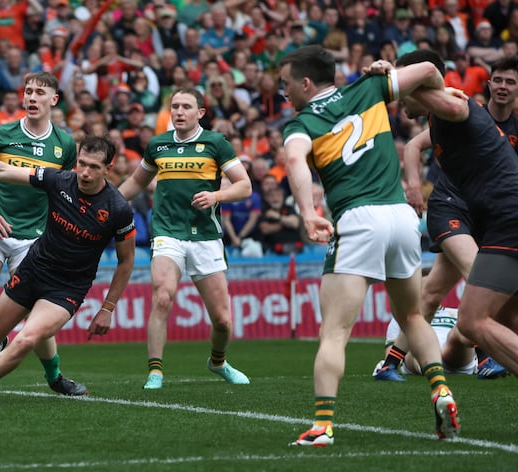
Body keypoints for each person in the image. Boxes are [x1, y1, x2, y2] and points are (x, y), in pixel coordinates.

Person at [279, 45, 459, 446]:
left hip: (358, 219)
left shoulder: (302, 122)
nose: (284, 92)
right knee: (413, 316)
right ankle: (441, 389)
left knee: (334, 332)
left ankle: (322, 425)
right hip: (400, 217)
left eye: (286, 84)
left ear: (306, 83)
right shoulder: (371, 87)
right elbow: (430, 67)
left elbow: (294, 161)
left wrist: (308, 213)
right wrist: (393, 70)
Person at [0, 131, 135, 405]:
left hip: (66, 289)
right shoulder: (59, 180)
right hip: (33, 270)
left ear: (109, 168)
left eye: (94, 167)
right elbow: (0, 169)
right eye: (82, 163)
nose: (85, 172)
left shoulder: (117, 209)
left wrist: (107, 308)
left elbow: (126, 261)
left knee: (27, 338)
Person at [0, 71, 85, 397]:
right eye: (28, 91)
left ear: (54, 99)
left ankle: (55, 377)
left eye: (40, 92)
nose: (32, 97)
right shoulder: (0, 134)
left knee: (38, 310)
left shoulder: (64, 144)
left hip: (34, 238)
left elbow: (62, 192)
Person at [380, 55, 518, 382]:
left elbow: (433, 78)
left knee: (473, 319)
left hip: (503, 218)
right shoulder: (441, 115)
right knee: (504, 317)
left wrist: (390, 79)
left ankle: (396, 359)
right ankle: (391, 361)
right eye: (498, 79)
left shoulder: (456, 103)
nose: (502, 86)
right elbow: (413, 145)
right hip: (473, 213)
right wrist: (414, 185)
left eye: (510, 81)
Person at [118, 87, 253, 390]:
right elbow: (136, 183)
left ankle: (217, 362)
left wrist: (217, 194)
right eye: (175, 106)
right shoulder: (158, 145)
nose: (179, 112)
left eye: (186, 107)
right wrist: (106, 203)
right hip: (167, 232)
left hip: (205, 236)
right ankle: (155, 371)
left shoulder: (216, 143)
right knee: (162, 295)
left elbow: (244, 187)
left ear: (200, 113)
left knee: (222, 321)